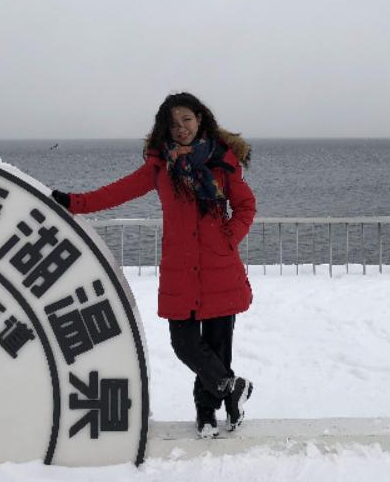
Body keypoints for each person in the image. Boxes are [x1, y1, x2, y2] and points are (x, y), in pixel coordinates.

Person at [51, 92, 256, 438]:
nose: (181, 129)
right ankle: (230, 388)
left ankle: (208, 414)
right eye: (174, 124)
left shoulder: (222, 162)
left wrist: (228, 238)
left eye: (187, 120)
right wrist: (75, 203)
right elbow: (119, 191)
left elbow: (246, 206)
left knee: (218, 347)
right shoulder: (161, 166)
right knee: (184, 343)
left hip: (220, 268)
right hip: (181, 270)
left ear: (200, 119)